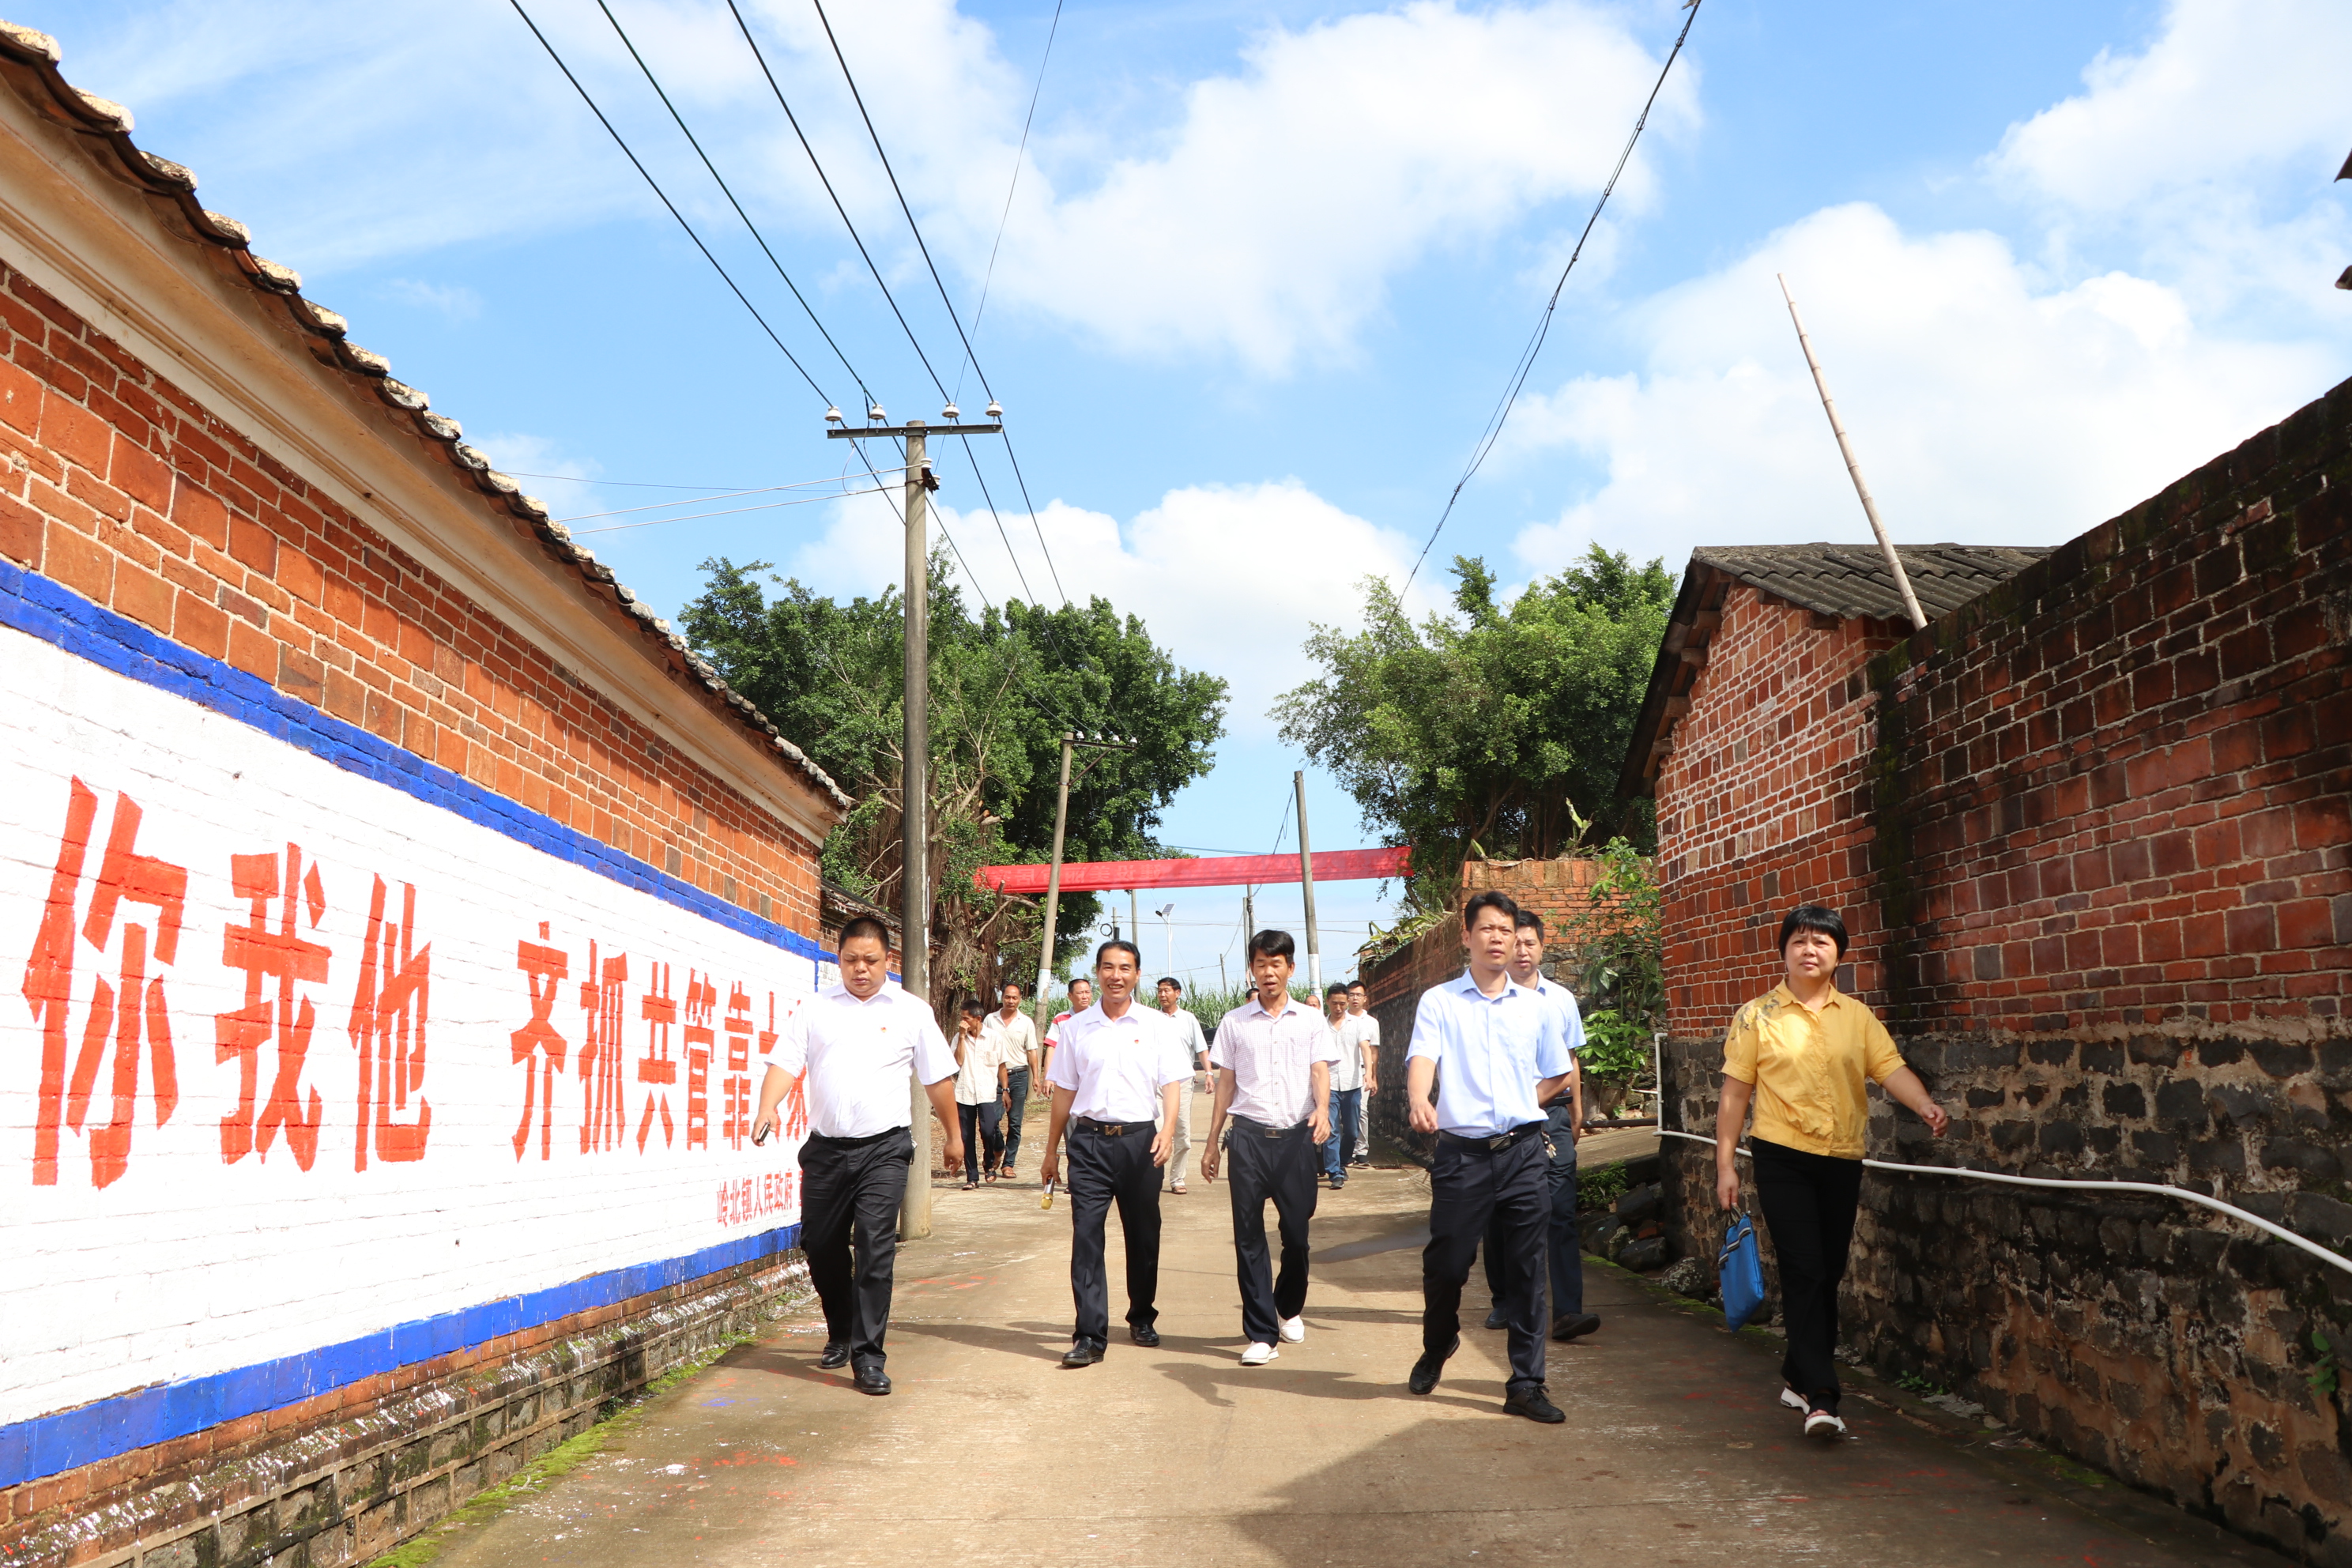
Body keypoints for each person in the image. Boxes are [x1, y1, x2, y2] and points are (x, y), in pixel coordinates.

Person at [1716, 905, 1950, 1439]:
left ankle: (1798, 1375)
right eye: (1799, 941)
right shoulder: (1758, 1016)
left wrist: (1924, 1105)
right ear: (1783, 951)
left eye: (1822, 942)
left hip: (1842, 1158)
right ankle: (1822, 1396)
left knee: (1829, 1268)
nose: (1809, 950)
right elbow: (1735, 1093)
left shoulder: (1857, 1017)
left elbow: (1888, 1067)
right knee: (1804, 1269)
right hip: (1782, 1157)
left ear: (1839, 954)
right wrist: (1725, 1164)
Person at [752, 915, 963, 1396]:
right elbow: (786, 1062)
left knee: (874, 1247)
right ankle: (841, 1329)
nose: (860, 969)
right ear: (839, 959)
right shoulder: (816, 1008)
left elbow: (937, 1078)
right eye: (850, 960)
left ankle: (869, 1357)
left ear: (887, 959)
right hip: (826, 1150)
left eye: (870, 960)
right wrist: (768, 1107)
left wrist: (953, 1135)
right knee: (820, 1244)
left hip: (884, 1149)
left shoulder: (911, 1011)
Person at [1404, 890, 1574, 1423]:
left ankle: (1526, 1382)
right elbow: (1422, 1058)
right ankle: (1438, 1344)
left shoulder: (1539, 1007)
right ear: (1467, 937)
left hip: (1524, 1150)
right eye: (1487, 929)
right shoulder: (1441, 1001)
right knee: (1448, 1265)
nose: (1498, 938)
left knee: (1527, 1273)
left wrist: (1528, 1103)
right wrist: (1417, 1098)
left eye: (1506, 929)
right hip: (1463, 1156)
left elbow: (1559, 1071)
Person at [1039, 942, 1190, 1366]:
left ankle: (1142, 1315)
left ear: (1137, 974)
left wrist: (1167, 1130)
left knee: (1143, 1235)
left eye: (1125, 968)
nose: (1116, 975)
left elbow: (1174, 1081)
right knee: (1086, 1237)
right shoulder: (1075, 1028)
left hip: (1141, 1143)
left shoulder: (1158, 1025)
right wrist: (1052, 1150)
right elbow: (1065, 1091)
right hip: (1087, 1144)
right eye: (1108, 967)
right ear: (1098, 972)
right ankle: (1089, 1335)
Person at [1201, 931, 1337, 1366]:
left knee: (1296, 1234)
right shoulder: (1235, 1022)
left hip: (1297, 1137)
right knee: (1248, 1236)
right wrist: (1211, 1143)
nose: (1269, 971)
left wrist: (1323, 1110)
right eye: (1261, 964)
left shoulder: (1311, 1021)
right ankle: (1261, 1333)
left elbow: (1320, 1070)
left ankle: (1288, 1306)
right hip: (1248, 1139)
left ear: (1290, 969)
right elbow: (1225, 1084)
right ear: (1253, 970)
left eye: (1276, 963)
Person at [1479, 910, 1600, 1342]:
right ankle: (1505, 1301)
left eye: (1532, 943)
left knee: (1561, 1212)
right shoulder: (1487, 997)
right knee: (1502, 1213)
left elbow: (1570, 1061)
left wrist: (1579, 1110)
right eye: (1518, 943)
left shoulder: (1559, 999)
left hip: (1554, 1115)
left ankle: (1568, 1311)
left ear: (1542, 948)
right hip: (1504, 1119)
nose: (1524, 951)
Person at [1155, 977, 1209, 1194]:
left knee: (1183, 1134)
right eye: (1159, 991)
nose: (1162, 995)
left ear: (1177, 993)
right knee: (1156, 1131)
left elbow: (1201, 1048)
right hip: (1157, 1084)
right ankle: (1153, 1178)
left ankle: (1177, 1179)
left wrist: (1208, 1073)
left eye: (1167, 990)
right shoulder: (1152, 1019)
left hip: (1183, 1083)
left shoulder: (1188, 1019)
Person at [982, 981, 1040, 1178]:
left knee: (1015, 1123)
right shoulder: (990, 1020)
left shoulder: (1026, 1022)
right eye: (1007, 997)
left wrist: (1036, 1077)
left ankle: (1008, 1164)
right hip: (994, 1077)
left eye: (1015, 998)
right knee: (992, 1120)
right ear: (1002, 997)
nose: (1011, 1001)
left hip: (1018, 1076)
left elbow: (1032, 1051)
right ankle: (998, 1148)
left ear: (1020, 999)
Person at [952, 997, 1011, 1188]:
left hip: (987, 1092)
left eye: (966, 1019)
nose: (963, 1023)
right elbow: (957, 1062)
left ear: (978, 1018)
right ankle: (972, 1177)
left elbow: (1002, 1066)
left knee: (988, 1130)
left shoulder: (994, 1038)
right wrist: (961, 1037)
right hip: (965, 1092)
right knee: (966, 1136)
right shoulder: (959, 1037)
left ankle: (989, 1163)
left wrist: (1005, 1090)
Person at [1319, 984, 1362, 1190]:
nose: (1338, 1007)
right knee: (1332, 1129)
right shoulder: (1319, 1026)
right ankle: (1334, 1172)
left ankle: (1343, 1161)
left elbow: (1366, 1048)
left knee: (1352, 1131)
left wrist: (1370, 1073)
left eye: (1342, 1004)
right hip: (1328, 1086)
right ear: (1327, 1001)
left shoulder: (1356, 1023)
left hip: (1352, 1084)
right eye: (1334, 1003)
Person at [1345, 982, 1379, 1166]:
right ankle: (1348, 1150)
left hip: (1363, 1072)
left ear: (1365, 998)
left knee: (1362, 1111)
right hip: (1343, 1072)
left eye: (1359, 995)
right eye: (1352, 995)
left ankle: (1362, 1150)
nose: (1355, 998)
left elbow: (1373, 1051)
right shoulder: (1340, 1019)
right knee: (1347, 1113)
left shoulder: (1372, 1023)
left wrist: (1373, 1076)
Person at [1039, 976, 1094, 1089]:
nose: (1085, 996)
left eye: (1087, 992)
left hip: (1093, 1076)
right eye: (1080, 993)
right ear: (1070, 996)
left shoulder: (1099, 1017)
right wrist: (1048, 1077)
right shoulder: (1061, 1019)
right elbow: (1052, 1048)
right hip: (1067, 1078)